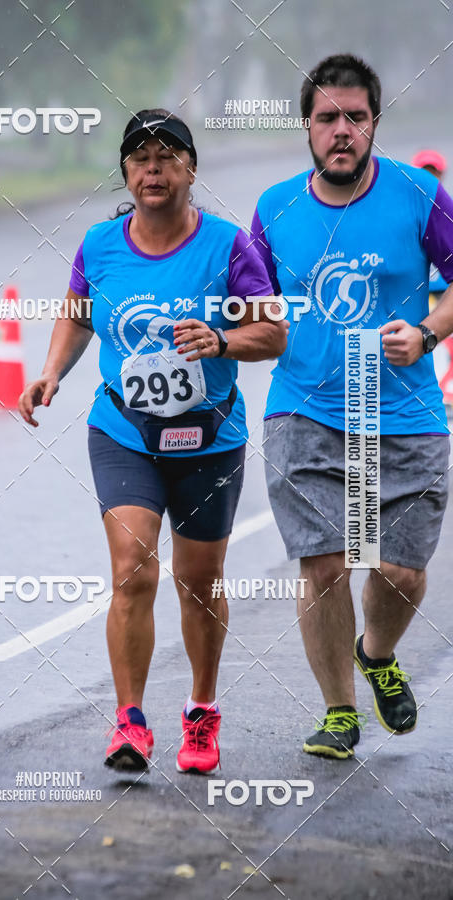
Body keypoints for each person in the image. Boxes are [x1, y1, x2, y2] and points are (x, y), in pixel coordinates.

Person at [19, 109, 287, 774]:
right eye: (140, 159)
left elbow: (274, 332)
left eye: (167, 157)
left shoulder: (227, 247)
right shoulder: (100, 244)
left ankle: (200, 713)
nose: (153, 169)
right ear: (126, 172)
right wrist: (51, 372)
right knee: (133, 571)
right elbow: (77, 316)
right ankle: (130, 723)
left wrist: (221, 339)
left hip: (210, 437)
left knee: (198, 582)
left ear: (191, 170)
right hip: (124, 431)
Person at [250, 54, 453, 759]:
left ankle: (377, 653)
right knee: (325, 564)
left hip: (402, 412)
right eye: (328, 118)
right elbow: (251, 306)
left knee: (398, 570)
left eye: (356, 118)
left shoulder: (418, 194)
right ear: (307, 125)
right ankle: (340, 712)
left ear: (374, 124)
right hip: (303, 408)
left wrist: (428, 332)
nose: (343, 131)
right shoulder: (274, 208)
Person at [411, 150, 449, 297]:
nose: (428, 178)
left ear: (441, 174)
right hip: (418, 292)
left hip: (445, 290)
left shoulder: (448, 209)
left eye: (433, 172)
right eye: (423, 173)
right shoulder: (405, 211)